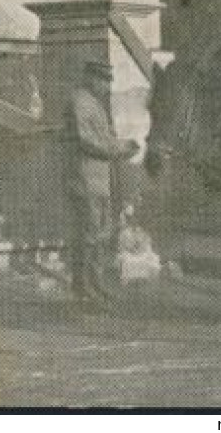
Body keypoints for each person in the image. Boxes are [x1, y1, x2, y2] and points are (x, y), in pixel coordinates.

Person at [67, 59, 139, 303]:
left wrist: (124, 145)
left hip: (99, 180)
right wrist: (116, 150)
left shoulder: (94, 103)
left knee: (99, 234)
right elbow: (85, 140)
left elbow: (105, 138)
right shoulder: (79, 101)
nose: (105, 86)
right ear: (89, 77)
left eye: (107, 81)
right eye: (101, 80)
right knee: (88, 235)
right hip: (84, 179)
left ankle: (95, 284)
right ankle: (83, 287)